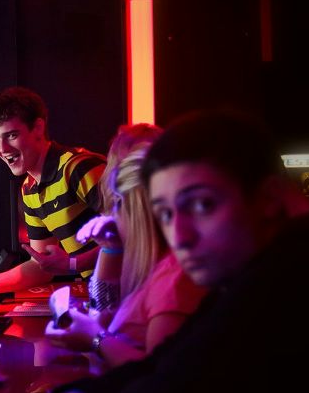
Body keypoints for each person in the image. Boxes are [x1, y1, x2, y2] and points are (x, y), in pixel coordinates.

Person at [5, 110, 309, 393]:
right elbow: (173, 361)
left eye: (202, 205)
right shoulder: (254, 271)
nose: (180, 235)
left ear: (268, 198)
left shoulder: (300, 275)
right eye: (165, 213)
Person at [49, 144, 206, 370]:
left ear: (134, 208)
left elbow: (156, 373)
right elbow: (101, 315)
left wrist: (95, 339)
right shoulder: (147, 262)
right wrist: (110, 248)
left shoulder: (174, 278)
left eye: (115, 204)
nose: (111, 214)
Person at [0, 87, 106, 291]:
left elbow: (134, 236)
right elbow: (41, 267)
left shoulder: (79, 168)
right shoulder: (30, 190)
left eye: (12, 135)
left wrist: (73, 264)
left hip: (139, 291)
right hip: (106, 294)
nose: (3, 149)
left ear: (38, 128)